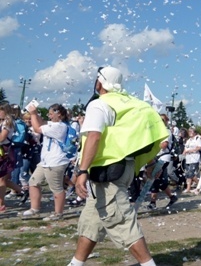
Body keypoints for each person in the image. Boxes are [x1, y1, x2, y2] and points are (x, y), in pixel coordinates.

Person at [67, 66, 168, 266]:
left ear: (100, 82)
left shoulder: (99, 104)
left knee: (121, 220)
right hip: (123, 168)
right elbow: (144, 136)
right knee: (92, 222)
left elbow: (94, 136)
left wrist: (82, 171)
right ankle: (75, 264)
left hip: (107, 171)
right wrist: (150, 162)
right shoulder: (133, 105)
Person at [22, 103, 71, 221]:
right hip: (45, 161)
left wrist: (33, 114)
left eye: (51, 113)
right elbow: (42, 122)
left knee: (56, 188)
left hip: (55, 161)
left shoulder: (59, 127)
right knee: (33, 182)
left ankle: (58, 213)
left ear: (59, 114)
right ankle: (35, 208)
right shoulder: (53, 124)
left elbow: (37, 129)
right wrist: (36, 112)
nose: (49, 115)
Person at [0, 103, 25, 213]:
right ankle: (22, 191)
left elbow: (2, 138)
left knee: (2, 178)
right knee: (3, 178)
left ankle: (1, 204)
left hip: (5, 151)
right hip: (3, 150)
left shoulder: (7, 123)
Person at [182, 127, 201, 193]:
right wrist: (183, 153)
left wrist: (191, 150)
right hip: (188, 159)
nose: (190, 132)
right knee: (188, 174)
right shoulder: (188, 140)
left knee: (191, 173)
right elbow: (185, 148)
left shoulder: (197, 138)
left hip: (195, 158)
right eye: (189, 131)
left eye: (191, 131)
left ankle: (199, 185)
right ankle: (189, 188)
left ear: (194, 132)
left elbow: (199, 147)